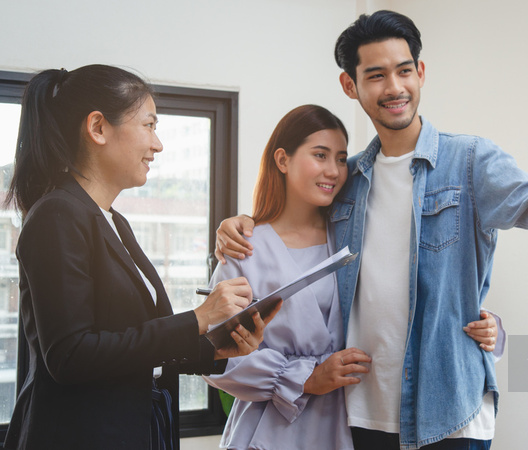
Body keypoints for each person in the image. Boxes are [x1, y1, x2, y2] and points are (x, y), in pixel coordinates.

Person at [218, 10, 528, 450]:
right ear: (351, 86)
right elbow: (296, 228)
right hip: (360, 415)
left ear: (420, 73)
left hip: (450, 414)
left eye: (404, 71)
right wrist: (242, 223)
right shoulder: (347, 183)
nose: (394, 87)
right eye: (376, 75)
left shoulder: (469, 160)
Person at [2, 65, 279, 450]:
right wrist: (198, 319)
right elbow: (71, 355)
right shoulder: (57, 215)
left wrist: (214, 348)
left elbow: (130, 344)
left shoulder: (114, 221)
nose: (158, 144)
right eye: (149, 125)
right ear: (98, 128)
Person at [204, 105, 502, 450]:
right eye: (320, 155)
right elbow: (215, 356)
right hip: (269, 432)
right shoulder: (244, 249)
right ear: (282, 160)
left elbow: (405, 302)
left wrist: (486, 327)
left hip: (352, 428)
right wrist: (306, 378)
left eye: (341, 159)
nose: (333, 171)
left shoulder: (349, 236)